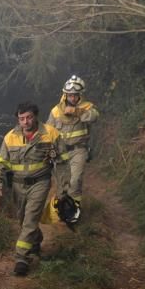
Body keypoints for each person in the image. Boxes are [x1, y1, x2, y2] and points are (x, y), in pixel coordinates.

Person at [0, 102, 64, 277]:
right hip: (17, 185)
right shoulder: (10, 137)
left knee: (30, 219)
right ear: (18, 119)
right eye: (21, 118)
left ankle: (21, 259)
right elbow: (0, 163)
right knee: (23, 218)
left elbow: (62, 162)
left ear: (36, 116)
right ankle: (36, 240)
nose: (25, 122)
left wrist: (63, 188)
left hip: (40, 183)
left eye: (29, 117)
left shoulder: (50, 134)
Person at [47, 75, 100, 206]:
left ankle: (74, 213)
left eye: (76, 95)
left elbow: (94, 117)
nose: (73, 98)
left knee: (75, 181)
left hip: (79, 150)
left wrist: (77, 112)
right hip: (61, 153)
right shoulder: (55, 111)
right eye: (70, 95)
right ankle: (62, 213)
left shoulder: (87, 108)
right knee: (63, 185)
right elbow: (48, 132)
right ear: (65, 95)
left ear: (80, 95)